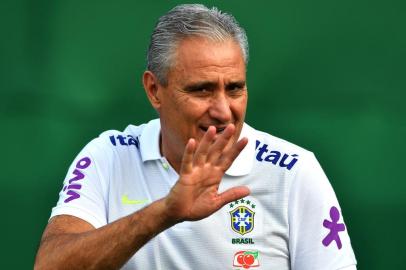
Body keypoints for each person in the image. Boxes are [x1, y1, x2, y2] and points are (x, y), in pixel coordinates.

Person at [34, 4, 357, 270]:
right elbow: (50, 266)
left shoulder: (293, 170)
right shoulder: (109, 155)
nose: (223, 110)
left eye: (234, 88)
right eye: (201, 89)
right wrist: (164, 212)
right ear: (153, 90)